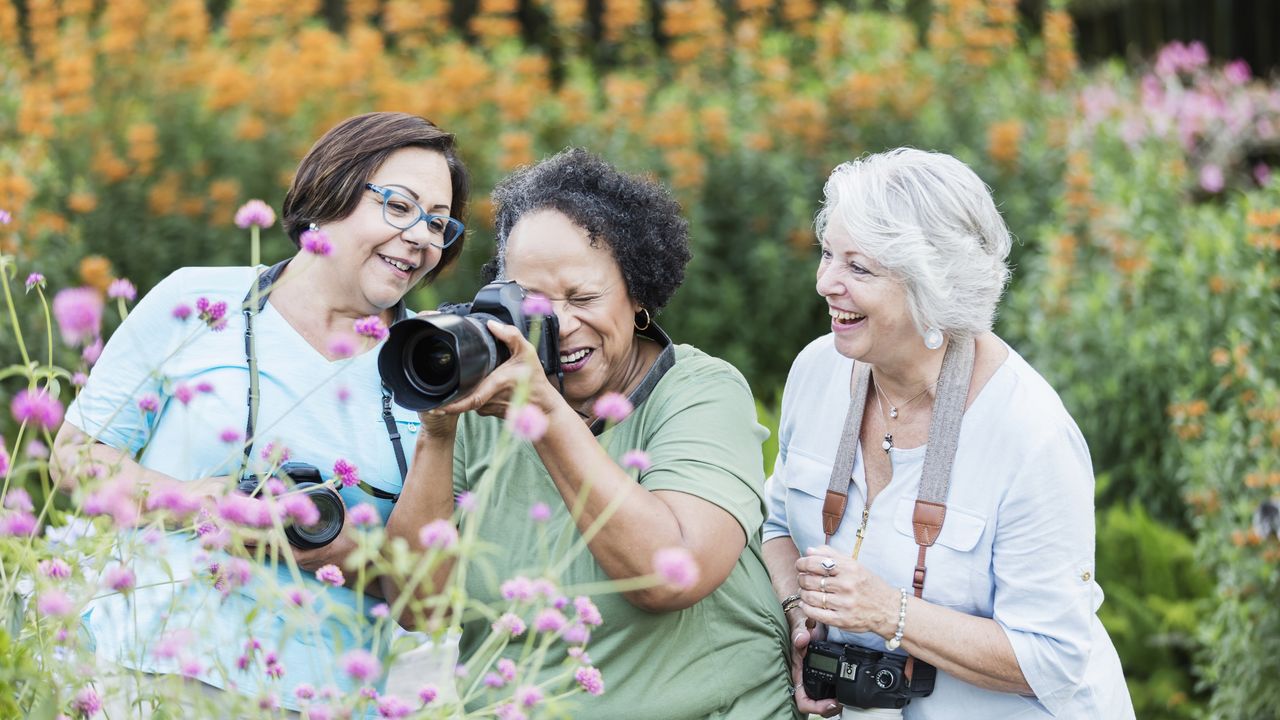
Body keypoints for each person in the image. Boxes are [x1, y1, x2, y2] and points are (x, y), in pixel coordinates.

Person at [51, 112, 470, 712]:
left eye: (438, 223)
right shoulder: (196, 301)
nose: (421, 237)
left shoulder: (429, 367)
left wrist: (348, 552)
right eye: (400, 206)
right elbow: (73, 457)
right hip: (148, 677)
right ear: (331, 191)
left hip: (321, 699)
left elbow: (427, 601)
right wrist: (206, 503)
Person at [383, 148, 799, 719]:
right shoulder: (484, 403)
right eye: (531, 302)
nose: (559, 324)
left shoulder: (699, 391)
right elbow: (418, 609)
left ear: (638, 294)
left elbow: (671, 576)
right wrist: (437, 429)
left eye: (582, 298)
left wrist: (545, 414)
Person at [762, 149, 1135, 719]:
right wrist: (799, 621)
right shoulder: (816, 371)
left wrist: (889, 612)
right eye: (828, 254)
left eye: (859, 268)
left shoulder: (1031, 435)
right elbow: (779, 526)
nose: (825, 283)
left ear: (933, 286)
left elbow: (1054, 658)